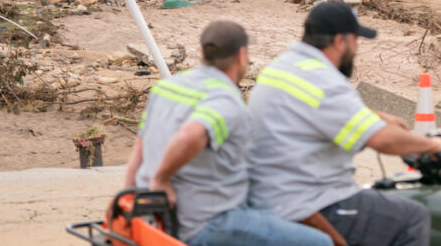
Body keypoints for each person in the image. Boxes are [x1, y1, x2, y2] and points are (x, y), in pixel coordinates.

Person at [248, 1, 441, 246]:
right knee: (412, 216)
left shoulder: (284, 66)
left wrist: (374, 116)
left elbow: (315, 110)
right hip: (306, 202)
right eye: (355, 40)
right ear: (340, 41)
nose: (356, 48)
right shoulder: (325, 79)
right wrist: (432, 145)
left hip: (267, 194)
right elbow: (383, 139)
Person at [124, 20, 332, 246]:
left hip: (156, 220)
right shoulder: (226, 100)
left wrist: (127, 204)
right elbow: (191, 134)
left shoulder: (165, 87)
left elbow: (139, 150)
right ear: (242, 55)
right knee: (320, 242)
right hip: (207, 224)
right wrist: (161, 178)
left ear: (203, 52)